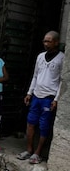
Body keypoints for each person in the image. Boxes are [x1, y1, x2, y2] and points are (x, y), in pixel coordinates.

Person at [17, 30, 64, 164]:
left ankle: (38, 153)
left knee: (44, 125)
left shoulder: (62, 58)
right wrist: (29, 93)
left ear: (56, 42)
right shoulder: (40, 56)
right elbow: (35, 76)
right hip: (36, 95)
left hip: (49, 97)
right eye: (44, 41)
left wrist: (56, 99)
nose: (46, 43)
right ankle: (29, 149)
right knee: (30, 122)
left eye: (49, 41)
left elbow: (62, 80)